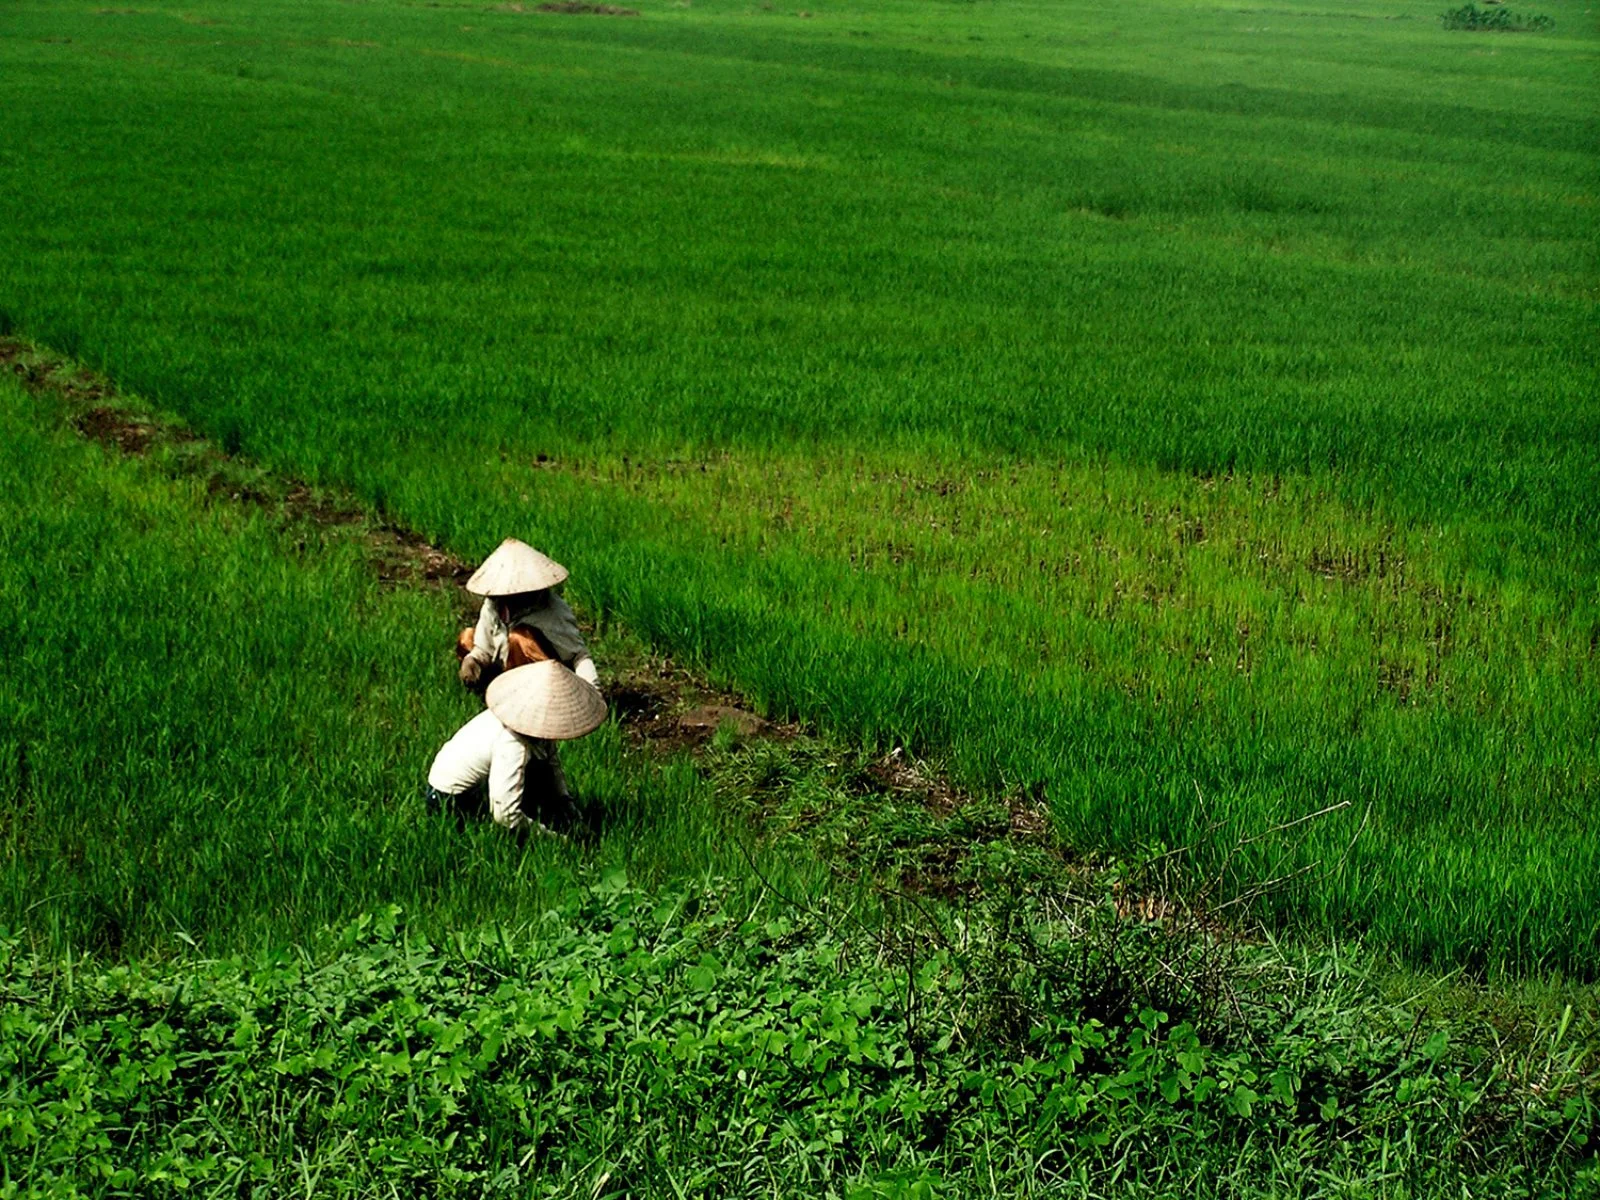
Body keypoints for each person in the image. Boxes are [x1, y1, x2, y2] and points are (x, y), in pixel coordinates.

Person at [425, 659, 607, 837]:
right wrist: (556, 839)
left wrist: (569, 808)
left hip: (477, 786)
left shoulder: (536, 728)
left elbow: (552, 769)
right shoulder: (513, 743)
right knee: (507, 817)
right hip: (450, 801)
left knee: (540, 775)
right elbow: (505, 815)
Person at [455, 538, 599, 693]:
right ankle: (489, 690)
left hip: (546, 680)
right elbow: (485, 648)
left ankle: (521, 695)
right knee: (467, 637)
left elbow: (578, 655)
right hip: (503, 666)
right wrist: (473, 660)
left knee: (518, 638)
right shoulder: (493, 605)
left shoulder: (552, 610)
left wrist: (593, 691)